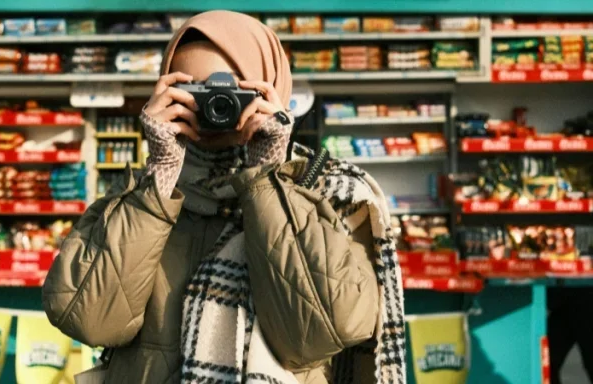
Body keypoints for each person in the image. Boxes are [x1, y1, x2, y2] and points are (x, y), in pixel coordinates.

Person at [43, 11, 406, 384]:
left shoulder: (326, 191)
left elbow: (318, 334)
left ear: (273, 90)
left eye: (234, 91)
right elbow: (88, 319)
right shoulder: (142, 195)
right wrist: (160, 177)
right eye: (194, 92)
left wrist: (268, 177)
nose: (215, 107)